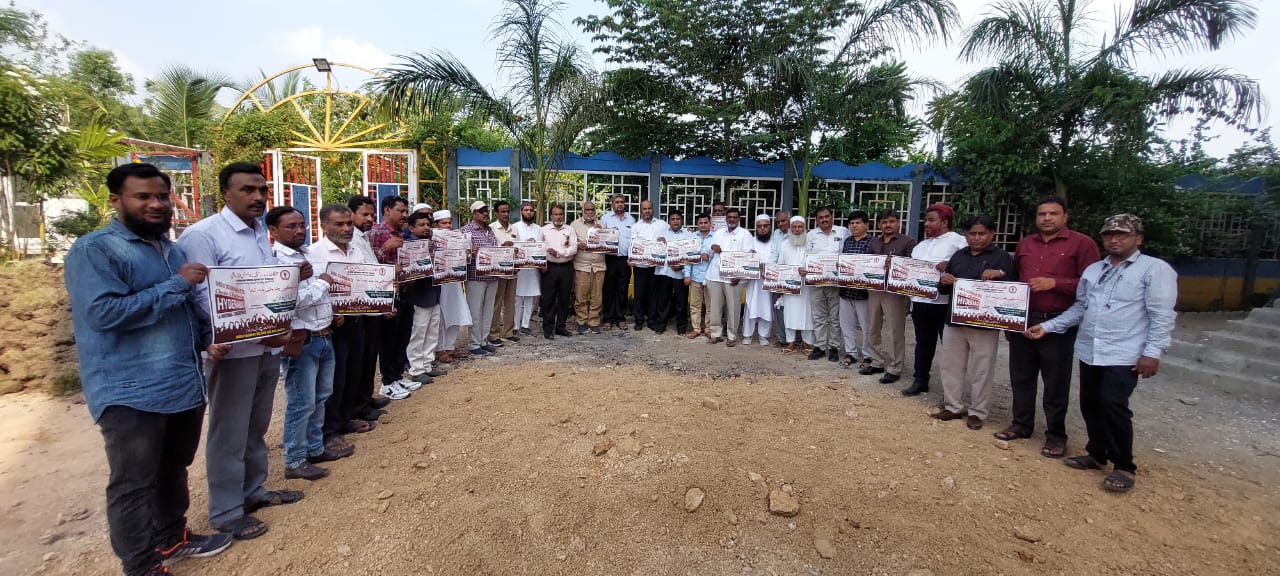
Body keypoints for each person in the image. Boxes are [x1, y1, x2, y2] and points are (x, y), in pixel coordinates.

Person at [65, 163, 233, 576]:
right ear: (116, 200)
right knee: (133, 483)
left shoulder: (171, 251)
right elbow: (104, 314)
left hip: (181, 384)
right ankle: (141, 566)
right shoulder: (95, 251)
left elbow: (182, 312)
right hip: (130, 391)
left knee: (173, 468)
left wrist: (205, 339)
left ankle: (172, 538)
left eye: (161, 196)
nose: (156, 204)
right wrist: (178, 283)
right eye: (143, 196)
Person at [178, 162, 301, 540]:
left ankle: (253, 490)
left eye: (262, 190)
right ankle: (227, 510)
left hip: (267, 346)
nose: (258, 197)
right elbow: (203, 297)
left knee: (256, 423)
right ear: (226, 193)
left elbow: (268, 287)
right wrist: (253, 330)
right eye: (248, 190)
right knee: (229, 430)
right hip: (232, 350)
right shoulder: (204, 235)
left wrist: (278, 326)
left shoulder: (259, 232)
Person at [1028, 214, 1177, 494]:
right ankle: (1096, 454)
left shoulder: (1154, 270)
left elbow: (1161, 316)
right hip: (1090, 350)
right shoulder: (1095, 270)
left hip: (1125, 352)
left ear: (1138, 239)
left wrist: (1152, 352)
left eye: (1121, 235)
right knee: (1090, 404)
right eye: (1109, 235)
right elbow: (1080, 308)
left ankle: (1123, 465)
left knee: (1113, 404)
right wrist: (1048, 327)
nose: (1114, 240)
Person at [996, 196, 1099, 458]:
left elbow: (1094, 285)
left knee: (1055, 381)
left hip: (1058, 322)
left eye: (1053, 213)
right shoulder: (1025, 244)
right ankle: (1021, 424)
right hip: (1024, 319)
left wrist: (1057, 284)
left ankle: (1055, 435)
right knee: (1021, 376)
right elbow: (1015, 281)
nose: (1047, 218)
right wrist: (1010, 320)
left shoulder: (1082, 244)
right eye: (1042, 214)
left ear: (1065, 217)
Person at [268, 206, 347, 483]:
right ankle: (294, 459)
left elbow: (320, 293)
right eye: (291, 226)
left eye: (302, 224)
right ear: (273, 230)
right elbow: (289, 302)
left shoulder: (310, 254)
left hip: (324, 334)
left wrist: (332, 311)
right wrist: (323, 283)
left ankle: (315, 448)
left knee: (321, 396)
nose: (299, 230)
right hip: (302, 340)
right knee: (301, 402)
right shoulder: (276, 261)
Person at [306, 205, 379, 469]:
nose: (346, 228)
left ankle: (347, 418)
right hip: (332, 324)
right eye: (339, 224)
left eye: (348, 223)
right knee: (333, 379)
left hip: (358, 318)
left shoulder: (356, 250)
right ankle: (329, 431)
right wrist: (333, 311)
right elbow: (312, 290)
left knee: (353, 372)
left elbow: (366, 280)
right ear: (324, 225)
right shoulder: (315, 253)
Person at [932, 215, 1016, 430]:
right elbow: (943, 288)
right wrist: (945, 281)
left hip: (984, 323)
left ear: (992, 234)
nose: (977, 238)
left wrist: (999, 275)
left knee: (982, 368)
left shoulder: (1002, 258)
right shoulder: (959, 255)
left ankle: (978, 412)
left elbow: (1014, 290)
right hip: (955, 320)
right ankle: (953, 406)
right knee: (951, 365)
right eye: (972, 234)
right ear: (966, 235)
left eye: (982, 234)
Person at [902, 203, 968, 396]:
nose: (926, 224)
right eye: (926, 220)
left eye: (931, 220)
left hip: (945, 304)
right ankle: (920, 380)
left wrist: (951, 264)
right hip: (921, 302)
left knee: (951, 348)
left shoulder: (959, 243)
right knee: (923, 343)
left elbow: (970, 266)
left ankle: (952, 392)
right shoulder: (921, 246)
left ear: (945, 222)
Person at [367, 195, 416, 403]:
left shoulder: (402, 234)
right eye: (400, 211)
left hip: (405, 290)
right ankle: (387, 382)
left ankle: (397, 376)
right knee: (388, 340)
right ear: (387, 210)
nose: (405, 215)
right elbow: (368, 266)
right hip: (388, 293)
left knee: (402, 338)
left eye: (406, 211)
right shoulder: (377, 233)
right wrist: (384, 250)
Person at [861, 209, 916, 384]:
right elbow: (867, 263)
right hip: (875, 289)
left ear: (898, 223)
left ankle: (895, 367)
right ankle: (876, 362)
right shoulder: (874, 242)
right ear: (879, 225)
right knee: (873, 327)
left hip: (894, 292)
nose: (888, 225)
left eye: (892, 221)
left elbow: (912, 265)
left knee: (894, 330)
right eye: (884, 222)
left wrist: (896, 264)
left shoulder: (907, 242)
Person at [400, 211, 448, 384]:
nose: (426, 228)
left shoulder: (432, 243)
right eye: (421, 225)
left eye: (428, 224)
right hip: (418, 296)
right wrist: (425, 256)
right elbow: (409, 270)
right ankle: (416, 369)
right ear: (411, 228)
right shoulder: (408, 245)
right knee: (418, 334)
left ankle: (427, 365)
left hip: (434, 293)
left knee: (432, 332)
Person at [805, 206, 849, 361]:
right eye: (821, 217)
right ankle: (820, 346)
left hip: (835, 282)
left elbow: (850, 252)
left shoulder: (843, 232)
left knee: (835, 317)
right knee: (818, 316)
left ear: (832, 216)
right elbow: (806, 256)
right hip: (816, 282)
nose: (824, 220)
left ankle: (834, 347)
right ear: (817, 220)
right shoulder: (811, 235)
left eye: (827, 216)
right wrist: (804, 269)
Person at [705, 208, 752, 346]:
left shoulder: (745, 235)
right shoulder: (718, 233)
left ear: (739, 219)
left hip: (733, 278)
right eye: (729, 217)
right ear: (726, 218)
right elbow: (709, 254)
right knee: (715, 308)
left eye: (734, 217)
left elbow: (748, 258)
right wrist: (712, 248)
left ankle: (732, 336)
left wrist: (739, 275)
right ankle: (716, 334)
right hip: (715, 276)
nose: (731, 219)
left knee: (733, 308)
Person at [432, 210, 472, 363]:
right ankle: (439, 349)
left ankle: (449, 346)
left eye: (449, 223)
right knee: (441, 316)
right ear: (437, 224)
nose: (448, 226)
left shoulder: (458, 236)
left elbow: (465, 259)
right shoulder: (432, 237)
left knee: (455, 312)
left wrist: (467, 252)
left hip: (455, 281)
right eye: (444, 223)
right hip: (440, 282)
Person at [462, 200, 501, 356]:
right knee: (475, 311)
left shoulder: (490, 230)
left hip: (492, 276)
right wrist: (470, 251)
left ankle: (484, 341)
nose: (485, 213)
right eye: (481, 211)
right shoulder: (466, 231)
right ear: (474, 213)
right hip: (475, 277)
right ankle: (474, 344)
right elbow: (460, 255)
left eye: (486, 210)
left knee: (488, 310)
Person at [838, 211, 875, 369]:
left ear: (866, 224)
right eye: (852, 223)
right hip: (846, 291)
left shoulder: (873, 242)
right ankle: (851, 353)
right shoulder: (847, 241)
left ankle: (868, 355)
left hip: (864, 293)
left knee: (867, 327)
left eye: (858, 223)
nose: (854, 226)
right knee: (847, 325)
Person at [776, 216, 815, 353]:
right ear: (790, 228)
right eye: (794, 227)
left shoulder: (811, 244)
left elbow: (815, 262)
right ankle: (791, 343)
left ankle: (807, 343)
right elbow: (780, 265)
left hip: (807, 286)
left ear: (804, 228)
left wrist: (808, 270)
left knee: (807, 314)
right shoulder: (784, 244)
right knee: (789, 314)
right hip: (790, 286)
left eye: (800, 227)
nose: (797, 229)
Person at [541, 204, 578, 338]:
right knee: (548, 299)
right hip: (549, 268)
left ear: (564, 215)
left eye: (561, 214)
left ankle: (560, 327)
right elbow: (539, 249)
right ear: (551, 216)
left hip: (566, 267)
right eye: (556, 214)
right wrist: (542, 263)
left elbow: (574, 248)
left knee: (564, 298)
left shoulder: (570, 229)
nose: (558, 217)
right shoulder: (544, 230)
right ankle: (548, 329)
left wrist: (559, 253)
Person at [653, 209, 693, 335]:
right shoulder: (662, 234)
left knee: (681, 301)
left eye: (678, 219)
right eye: (673, 219)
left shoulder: (688, 235)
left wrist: (681, 266)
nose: (675, 221)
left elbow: (690, 254)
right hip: (664, 272)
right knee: (663, 300)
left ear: (682, 220)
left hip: (680, 273)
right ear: (669, 221)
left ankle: (681, 327)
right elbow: (655, 252)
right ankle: (660, 324)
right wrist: (659, 243)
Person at [743, 214, 780, 345]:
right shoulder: (750, 242)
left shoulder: (775, 243)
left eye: (765, 226)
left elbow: (778, 260)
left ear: (770, 227)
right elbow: (744, 259)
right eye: (760, 226)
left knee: (766, 307)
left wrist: (768, 267)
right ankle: (747, 335)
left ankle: (763, 335)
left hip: (768, 281)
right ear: (756, 228)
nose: (762, 229)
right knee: (750, 305)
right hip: (753, 282)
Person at [571, 201, 607, 334]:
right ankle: (581, 321)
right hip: (582, 266)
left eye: (592, 210)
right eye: (587, 210)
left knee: (597, 297)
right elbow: (569, 242)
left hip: (599, 266)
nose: (590, 212)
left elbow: (609, 242)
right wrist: (577, 244)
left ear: (595, 211)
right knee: (580, 296)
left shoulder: (602, 224)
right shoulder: (574, 225)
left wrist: (602, 232)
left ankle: (594, 322)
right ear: (583, 211)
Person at [488, 200, 520, 345]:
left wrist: (519, 263)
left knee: (510, 303)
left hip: (512, 271)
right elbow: (489, 250)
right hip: (498, 272)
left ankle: (508, 332)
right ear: (496, 213)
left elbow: (520, 248)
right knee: (496, 303)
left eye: (507, 211)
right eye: (503, 211)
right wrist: (502, 246)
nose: (506, 214)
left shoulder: (514, 229)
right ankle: (494, 334)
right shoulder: (491, 229)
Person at [601, 195, 635, 330]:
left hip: (624, 260)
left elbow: (634, 240)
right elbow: (599, 237)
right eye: (617, 202)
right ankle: (608, 319)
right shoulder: (605, 219)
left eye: (622, 202)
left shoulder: (631, 220)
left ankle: (620, 318)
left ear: (625, 204)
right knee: (608, 289)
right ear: (612, 204)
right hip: (609, 259)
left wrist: (632, 257)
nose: (619, 204)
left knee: (622, 289)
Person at [511, 201, 544, 337]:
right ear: (521, 211)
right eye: (526, 210)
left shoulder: (539, 229)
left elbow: (542, 247)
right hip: (520, 268)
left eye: (531, 210)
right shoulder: (514, 227)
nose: (529, 212)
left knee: (530, 297)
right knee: (517, 298)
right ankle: (515, 325)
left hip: (533, 269)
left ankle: (525, 325)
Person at [631, 199, 663, 331]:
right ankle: (639, 320)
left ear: (653, 209)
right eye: (644, 209)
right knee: (639, 294)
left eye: (649, 208)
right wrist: (631, 258)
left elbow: (669, 238)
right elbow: (632, 245)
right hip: (640, 266)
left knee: (653, 294)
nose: (647, 211)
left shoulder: (662, 224)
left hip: (656, 266)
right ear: (641, 211)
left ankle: (651, 320)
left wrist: (665, 240)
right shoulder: (636, 226)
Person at [685, 213, 715, 339]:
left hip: (710, 276)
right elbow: (687, 257)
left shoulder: (716, 237)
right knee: (695, 305)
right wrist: (687, 274)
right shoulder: (692, 238)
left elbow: (720, 257)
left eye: (705, 222)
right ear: (697, 224)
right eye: (700, 223)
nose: (703, 225)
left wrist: (710, 257)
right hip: (695, 276)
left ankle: (709, 329)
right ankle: (696, 329)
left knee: (711, 305)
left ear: (710, 224)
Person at [772, 210, 791, 346]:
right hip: (777, 275)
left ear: (789, 220)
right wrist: (768, 268)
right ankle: (782, 338)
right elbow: (773, 253)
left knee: (793, 308)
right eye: (778, 222)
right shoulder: (776, 233)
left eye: (783, 221)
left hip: (792, 276)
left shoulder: (797, 233)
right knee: (778, 307)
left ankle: (796, 339)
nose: (780, 224)